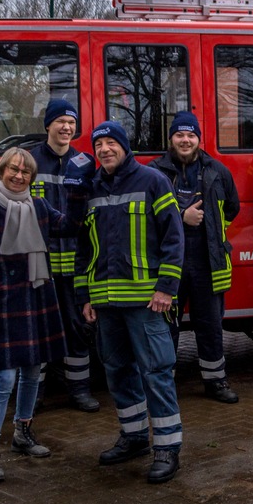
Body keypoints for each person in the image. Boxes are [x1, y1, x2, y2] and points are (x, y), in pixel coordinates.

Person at [76, 121, 185, 483]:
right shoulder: (92, 188)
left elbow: (174, 236)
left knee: (156, 372)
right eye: (99, 145)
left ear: (124, 146)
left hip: (146, 302)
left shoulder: (153, 180)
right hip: (106, 303)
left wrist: (166, 287)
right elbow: (84, 248)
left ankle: (168, 448)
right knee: (117, 372)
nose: (105, 149)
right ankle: (135, 437)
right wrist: (86, 296)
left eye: (111, 143)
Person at [0, 148, 74, 482]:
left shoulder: (39, 207)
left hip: (36, 294)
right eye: (13, 169)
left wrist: (81, 191)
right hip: (0, 301)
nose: (19, 176)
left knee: (33, 369)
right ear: (0, 172)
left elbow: (68, 225)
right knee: (4, 378)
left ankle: (23, 432)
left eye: (25, 172)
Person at [152, 111, 242, 404]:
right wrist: (182, 216)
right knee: (166, 326)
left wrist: (212, 233)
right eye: (180, 135)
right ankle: (165, 384)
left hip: (207, 261)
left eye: (191, 135)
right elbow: (147, 216)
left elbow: (232, 207)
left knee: (210, 325)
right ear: (171, 139)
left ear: (198, 140)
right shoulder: (154, 172)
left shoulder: (218, 170)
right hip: (168, 262)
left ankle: (215, 381)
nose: (185, 140)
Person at [30, 99, 99, 413]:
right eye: (60, 121)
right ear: (48, 125)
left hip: (75, 262)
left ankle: (80, 391)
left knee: (76, 328)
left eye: (71, 123)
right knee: (38, 329)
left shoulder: (85, 163)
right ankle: (33, 394)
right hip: (38, 264)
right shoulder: (29, 161)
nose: (66, 128)